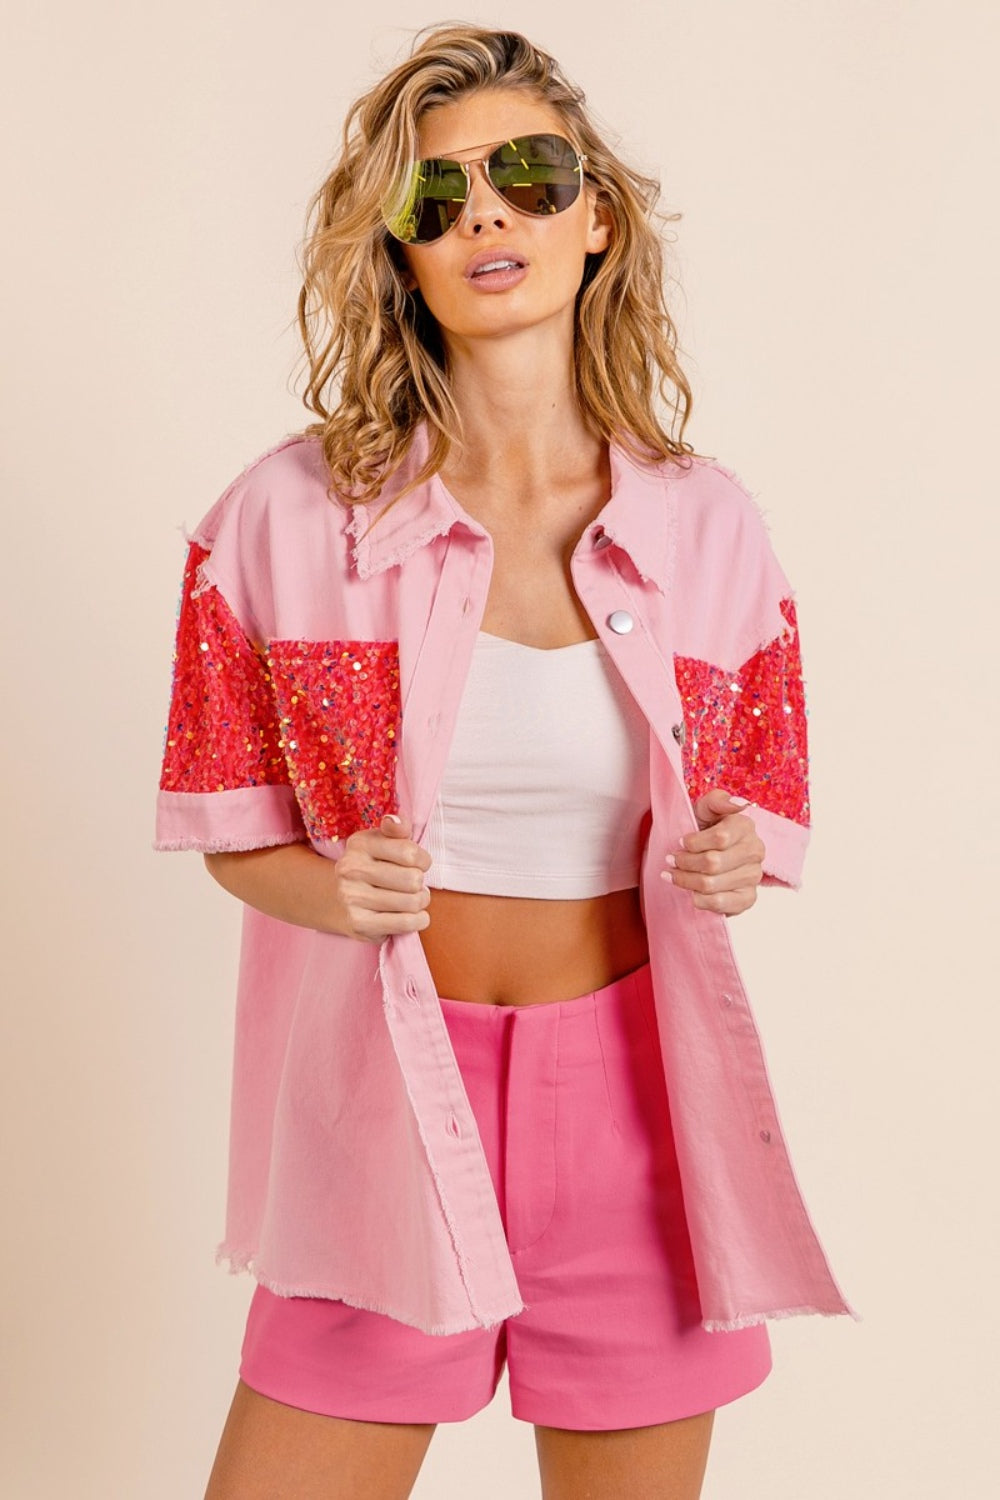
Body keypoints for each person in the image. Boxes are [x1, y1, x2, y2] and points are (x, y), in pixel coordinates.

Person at [155, 23, 852, 1500]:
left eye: (528, 174)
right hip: (382, 1100)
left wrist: (730, 854)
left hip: (638, 1109)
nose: (484, 212)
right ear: (397, 247)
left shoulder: (711, 529)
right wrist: (337, 891)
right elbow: (230, 827)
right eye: (435, 192)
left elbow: (754, 817)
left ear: (594, 216)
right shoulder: (279, 523)